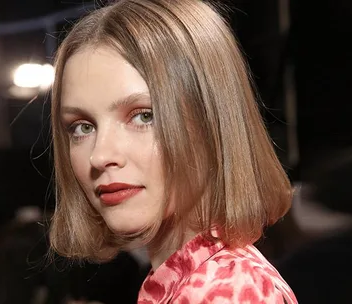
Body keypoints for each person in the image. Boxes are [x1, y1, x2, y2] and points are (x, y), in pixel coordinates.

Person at [48, 0, 298, 303]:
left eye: (143, 116)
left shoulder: (224, 291)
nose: (99, 156)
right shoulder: (186, 282)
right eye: (82, 127)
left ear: (212, 121)